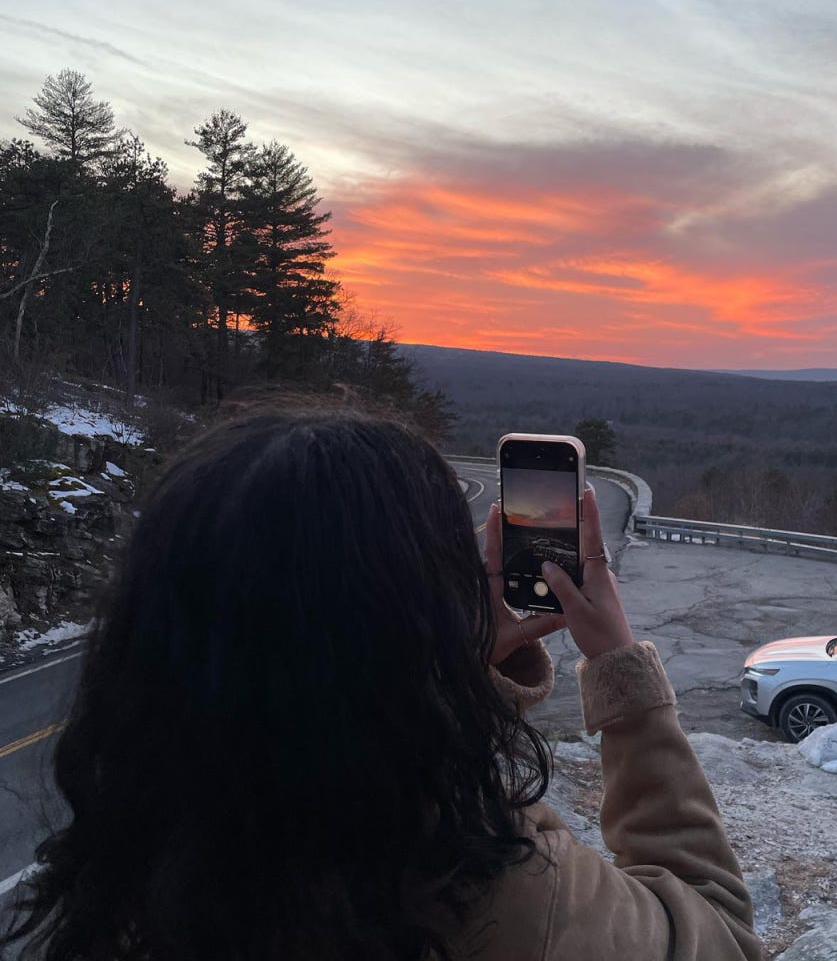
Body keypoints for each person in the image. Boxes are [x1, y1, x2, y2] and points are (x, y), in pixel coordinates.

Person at [2, 407, 761, 961]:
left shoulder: (132, 870)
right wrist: (618, 667)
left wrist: (454, 671)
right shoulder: (497, 896)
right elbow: (719, 934)